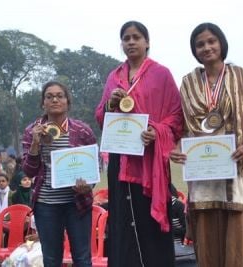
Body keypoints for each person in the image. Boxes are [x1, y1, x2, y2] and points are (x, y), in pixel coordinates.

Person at [169, 22, 243, 267]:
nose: (206, 47)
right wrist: (174, 147)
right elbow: (179, 126)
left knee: (236, 244)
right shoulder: (188, 84)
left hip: (235, 173)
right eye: (200, 44)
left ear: (221, 44)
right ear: (194, 50)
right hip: (202, 177)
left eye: (211, 41)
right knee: (206, 244)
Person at [95, 21, 183, 267]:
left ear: (147, 42)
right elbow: (101, 116)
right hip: (120, 160)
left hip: (148, 162)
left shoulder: (161, 74)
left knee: (149, 222)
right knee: (122, 220)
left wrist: (156, 132)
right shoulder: (114, 76)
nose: (131, 42)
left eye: (136, 37)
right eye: (126, 38)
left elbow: (176, 117)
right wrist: (111, 104)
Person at [23, 81, 96, 267]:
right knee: (51, 259)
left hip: (77, 203)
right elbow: (28, 171)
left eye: (59, 96)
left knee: (82, 258)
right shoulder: (32, 131)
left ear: (67, 102)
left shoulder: (82, 131)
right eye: (49, 96)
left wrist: (87, 186)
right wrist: (35, 144)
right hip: (46, 205)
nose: (55, 99)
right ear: (43, 103)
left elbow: (92, 169)